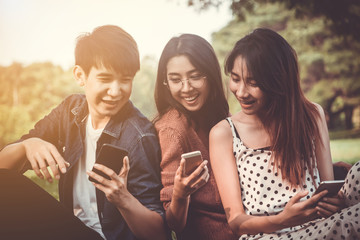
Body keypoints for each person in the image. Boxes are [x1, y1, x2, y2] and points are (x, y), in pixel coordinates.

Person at [0, 25, 167, 240]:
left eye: (125, 80)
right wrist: (28, 144)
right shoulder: (70, 111)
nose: (116, 91)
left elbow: (159, 235)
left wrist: (123, 199)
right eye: (105, 79)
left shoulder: (140, 136)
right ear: (80, 75)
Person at [209, 28, 360, 239]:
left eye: (253, 83)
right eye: (235, 79)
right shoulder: (224, 133)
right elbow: (236, 221)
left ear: (278, 81)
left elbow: (327, 188)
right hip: (269, 235)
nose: (241, 92)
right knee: (351, 222)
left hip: (321, 226)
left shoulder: (312, 115)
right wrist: (283, 220)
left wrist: (334, 203)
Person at [153, 34, 238, 240]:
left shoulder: (224, 119)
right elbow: (174, 223)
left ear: (210, 74)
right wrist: (181, 194)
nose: (186, 88)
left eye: (195, 76)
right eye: (175, 80)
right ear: (166, 82)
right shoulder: (172, 129)